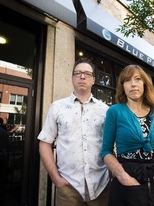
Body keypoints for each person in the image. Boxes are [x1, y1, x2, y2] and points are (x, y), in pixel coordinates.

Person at [101, 65, 154, 206]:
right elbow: (106, 151)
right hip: (128, 178)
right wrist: (123, 177)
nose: (133, 84)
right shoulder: (115, 111)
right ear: (123, 86)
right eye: (127, 80)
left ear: (145, 84)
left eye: (137, 79)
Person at [38, 58, 110, 206]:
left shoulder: (105, 110)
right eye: (78, 73)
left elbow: (111, 145)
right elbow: (45, 143)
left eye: (87, 74)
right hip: (68, 187)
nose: (82, 77)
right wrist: (55, 178)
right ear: (72, 78)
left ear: (93, 79)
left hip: (101, 186)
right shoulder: (57, 107)